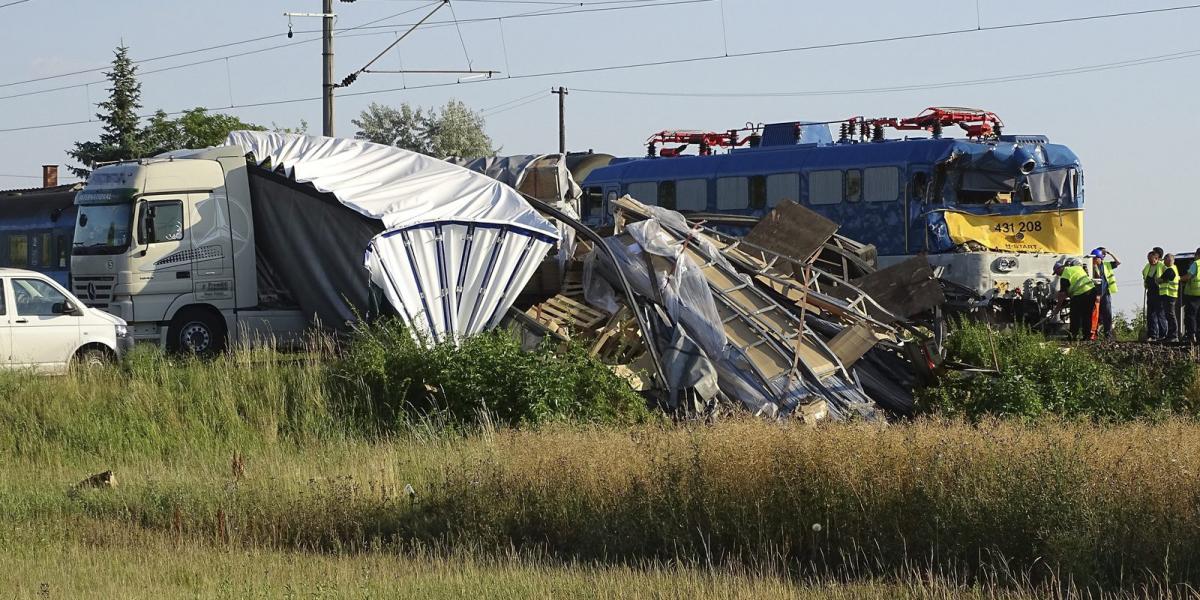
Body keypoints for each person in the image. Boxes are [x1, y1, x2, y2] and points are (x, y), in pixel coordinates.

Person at [1052, 258, 1100, 340]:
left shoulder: (1065, 275)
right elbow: (1072, 286)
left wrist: (1057, 308)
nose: (1058, 275)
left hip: (1081, 294)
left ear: (1060, 269)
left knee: (1075, 316)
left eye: (1057, 273)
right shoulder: (1077, 268)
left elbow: (1063, 294)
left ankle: (1073, 336)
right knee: (1087, 316)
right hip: (1091, 292)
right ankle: (1086, 337)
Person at [1090, 247, 1120, 340]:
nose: (1094, 260)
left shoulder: (1106, 265)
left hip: (1105, 294)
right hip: (1095, 294)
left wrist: (1110, 253)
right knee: (1095, 315)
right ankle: (1093, 335)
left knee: (1107, 314)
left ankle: (1108, 335)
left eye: (1096, 258)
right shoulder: (1090, 267)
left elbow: (1118, 262)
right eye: (1093, 258)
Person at [1144, 250, 1165, 341]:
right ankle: (1152, 335)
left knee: (1160, 314)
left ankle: (1163, 334)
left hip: (1159, 292)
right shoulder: (1147, 266)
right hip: (1150, 291)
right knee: (1150, 314)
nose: (1149, 261)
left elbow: (1167, 275)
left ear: (1157, 259)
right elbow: (1144, 274)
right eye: (1148, 259)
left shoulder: (1161, 266)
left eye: (1151, 259)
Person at [1160, 253, 1180, 342]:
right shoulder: (1172, 269)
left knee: (1171, 315)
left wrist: (1158, 280)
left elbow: (1160, 280)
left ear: (1169, 260)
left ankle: (1173, 335)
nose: (1163, 261)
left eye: (1165, 259)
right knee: (1169, 315)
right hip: (1169, 295)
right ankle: (1170, 335)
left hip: (1170, 295)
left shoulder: (1170, 270)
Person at [1181, 249, 1200, 343]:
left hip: (1194, 294)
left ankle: (1192, 335)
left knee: (1191, 315)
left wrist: (1179, 279)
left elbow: (1188, 276)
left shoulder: (1196, 264)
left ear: (1197, 255)